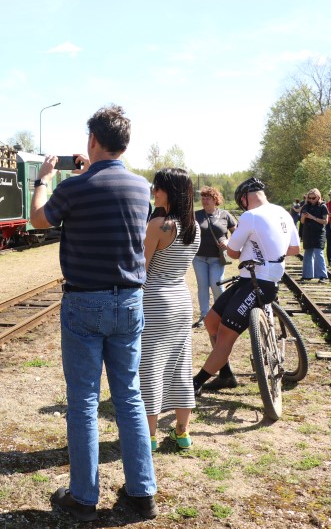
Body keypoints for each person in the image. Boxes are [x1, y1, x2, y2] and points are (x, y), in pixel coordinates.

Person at [30, 105, 157, 521]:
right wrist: (88, 174)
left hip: (85, 301)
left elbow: (37, 220)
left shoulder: (75, 187)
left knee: (84, 401)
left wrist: (43, 180)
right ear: (125, 144)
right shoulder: (141, 188)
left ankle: (84, 498)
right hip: (130, 301)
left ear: (92, 140)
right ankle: (142, 493)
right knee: (129, 397)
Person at [192, 177, 299, 394]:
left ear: (244, 198)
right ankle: (225, 375)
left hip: (257, 282)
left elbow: (232, 252)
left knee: (225, 334)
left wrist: (239, 249)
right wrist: (269, 255)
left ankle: (195, 382)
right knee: (211, 321)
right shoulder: (283, 212)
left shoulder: (250, 216)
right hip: (250, 280)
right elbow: (294, 249)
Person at [141, 168, 200, 452]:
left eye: (158, 188)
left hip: (155, 301)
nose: (154, 192)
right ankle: (182, 432)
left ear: (172, 191)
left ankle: (149, 436)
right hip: (181, 300)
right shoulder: (195, 227)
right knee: (180, 365)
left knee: (150, 367)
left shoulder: (159, 225)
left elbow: (141, 268)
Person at [191, 186, 237, 328]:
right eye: (203, 198)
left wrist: (228, 241)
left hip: (217, 258)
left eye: (208, 198)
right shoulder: (195, 215)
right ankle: (204, 316)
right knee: (202, 286)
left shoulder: (225, 215)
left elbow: (237, 233)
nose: (204, 201)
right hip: (199, 258)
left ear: (215, 199)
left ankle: (220, 314)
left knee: (216, 285)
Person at [299, 188, 329, 282]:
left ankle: (322, 276)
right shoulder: (305, 206)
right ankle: (307, 275)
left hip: (319, 233)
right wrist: (304, 216)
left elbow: (325, 221)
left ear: (318, 197)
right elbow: (302, 221)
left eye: (313, 198)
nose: (311, 200)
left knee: (318, 253)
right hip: (308, 232)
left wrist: (312, 217)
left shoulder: (323, 206)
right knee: (308, 254)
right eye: (309, 198)